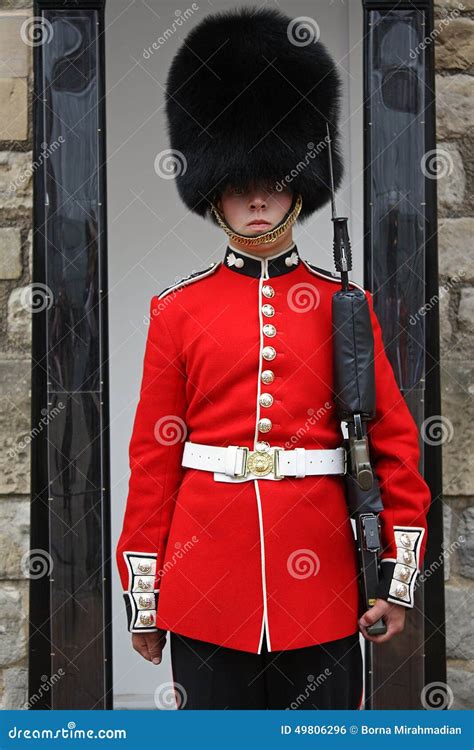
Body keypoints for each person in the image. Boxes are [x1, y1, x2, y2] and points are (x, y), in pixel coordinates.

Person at [115, 7, 431, 710]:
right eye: (238, 181)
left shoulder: (344, 304)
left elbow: (395, 447)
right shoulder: (177, 311)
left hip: (322, 590)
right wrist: (146, 595)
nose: (258, 196)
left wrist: (394, 578)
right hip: (205, 589)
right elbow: (154, 458)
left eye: (274, 178)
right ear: (213, 191)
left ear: (301, 184)